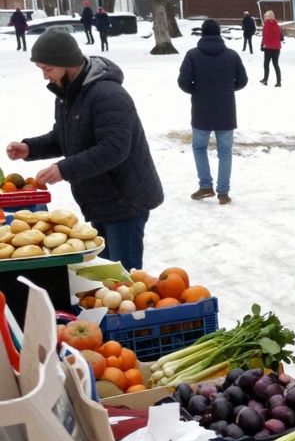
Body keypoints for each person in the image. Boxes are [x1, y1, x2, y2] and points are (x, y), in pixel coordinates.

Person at [6, 28, 163, 270]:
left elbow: (114, 148)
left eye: (47, 69)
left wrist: (63, 169)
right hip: (99, 199)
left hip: (124, 201)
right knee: (104, 273)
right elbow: (64, 137)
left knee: (123, 277)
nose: (45, 76)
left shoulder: (107, 95)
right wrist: (30, 148)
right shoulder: (69, 93)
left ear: (66, 63)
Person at [177, 19, 248, 206]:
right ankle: (223, 193)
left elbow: (183, 82)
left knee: (199, 148)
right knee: (225, 151)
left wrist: (197, 90)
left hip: (201, 110)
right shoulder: (231, 56)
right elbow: (242, 80)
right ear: (219, 33)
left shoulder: (192, 56)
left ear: (202, 33)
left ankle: (206, 185)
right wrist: (227, 88)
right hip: (226, 110)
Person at [259, 10, 283, 87]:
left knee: (266, 64)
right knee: (276, 64)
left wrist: (262, 45)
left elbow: (265, 36)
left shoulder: (266, 25)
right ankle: (278, 81)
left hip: (269, 47)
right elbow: (280, 37)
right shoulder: (277, 26)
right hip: (277, 48)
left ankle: (265, 79)